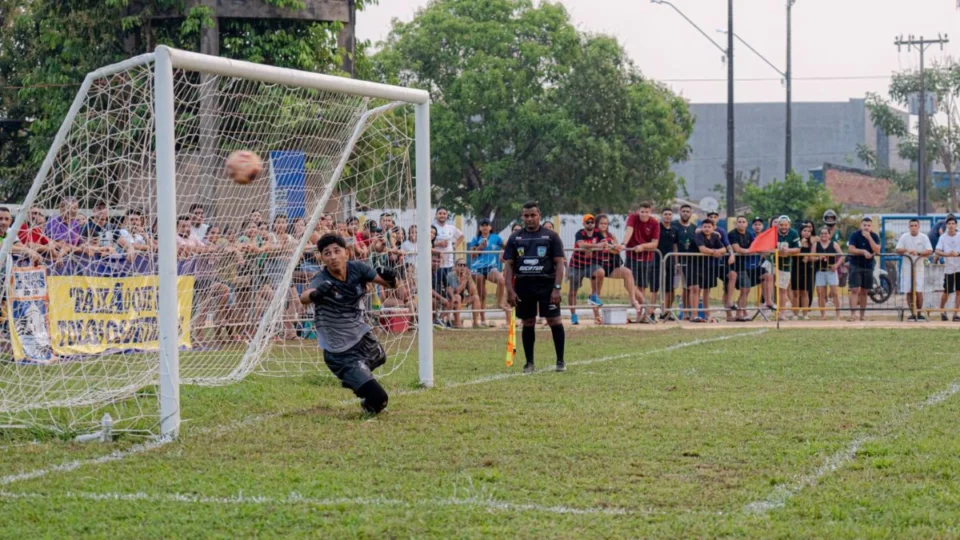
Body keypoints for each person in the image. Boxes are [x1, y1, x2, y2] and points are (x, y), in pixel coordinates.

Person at [300, 234, 398, 415]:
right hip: (340, 351)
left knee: (381, 357)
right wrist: (316, 294)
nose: (333, 256)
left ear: (346, 253)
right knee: (380, 400)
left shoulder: (358, 269)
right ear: (322, 258)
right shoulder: (322, 279)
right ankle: (358, 385)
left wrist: (391, 278)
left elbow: (390, 285)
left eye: (337, 251)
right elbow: (304, 297)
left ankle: (355, 377)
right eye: (327, 253)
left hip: (362, 337)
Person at [503, 201, 566, 373]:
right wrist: (510, 289)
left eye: (533, 215)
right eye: (526, 215)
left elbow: (559, 264)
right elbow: (508, 265)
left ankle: (560, 360)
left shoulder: (551, 236)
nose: (529, 218)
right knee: (528, 322)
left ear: (539, 215)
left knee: (554, 320)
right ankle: (529, 362)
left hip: (547, 285)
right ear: (522, 217)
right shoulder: (515, 238)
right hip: (524, 285)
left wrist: (557, 288)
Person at [594, 214, 645, 320]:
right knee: (597, 291)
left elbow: (618, 249)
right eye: (601, 223)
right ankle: (597, 316)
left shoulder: (611, 235)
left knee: (627, 272)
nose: (604, 225)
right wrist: (609, 247)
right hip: (598, 267)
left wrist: (612, 247)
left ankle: (633, 300)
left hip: (611, 266)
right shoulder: (594, 236)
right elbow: (598, 248)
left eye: (606, 223)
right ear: (597, 224)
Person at [623, 202, 660, 323]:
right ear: (638, 211)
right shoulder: (633, 217)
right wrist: (624, 244)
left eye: (646, 212)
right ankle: (646, 306)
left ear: (650, 212)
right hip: (631, 256)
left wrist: (642, 246)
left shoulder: (654, 223)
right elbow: (629, 231)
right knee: (628, 283)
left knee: (642, 286)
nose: (644, 214)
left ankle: (641, 316)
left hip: (646, 258)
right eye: (642, 211)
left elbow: (654, 244)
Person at [467, 218, 507, 326]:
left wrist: (502, 253)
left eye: (487, 225)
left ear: (490, 227)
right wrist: (480, 247)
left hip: (491, 267)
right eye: (482, 225)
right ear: (480, 228)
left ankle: (499, 303)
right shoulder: (476, 238)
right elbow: (472, 255)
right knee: (482, 294)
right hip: (477, 268)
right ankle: (483, 319)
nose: (485, 227)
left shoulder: (496, 237)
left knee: (501, 280)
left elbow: (506, 246)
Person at [567, 214, 604, 325]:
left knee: (600, 272)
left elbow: (604, 244)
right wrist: (594, 246)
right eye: (587, 222)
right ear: (583, 224)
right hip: (576, 265)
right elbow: (581, 244)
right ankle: (573, 315)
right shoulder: (580, 233)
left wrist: (591, 247)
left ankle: (593, 296)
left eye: (592, 222)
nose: (590, 224)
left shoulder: (598, 232)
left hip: (589, 264)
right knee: (573, 292)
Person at [895, 218, 933, 321]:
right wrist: (907, 250)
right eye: (911, 226)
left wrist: (919, 253)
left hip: (919, 267)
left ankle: (919, 313)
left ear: (919, 227)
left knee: (919, 291)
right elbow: (897, 249)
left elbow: (929, 250)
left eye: (915, 226)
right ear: (909, 227)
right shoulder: (904, 237)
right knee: (908, 291)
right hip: (907, 268)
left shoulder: (924, 237)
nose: (913, 228)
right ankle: (913, 313)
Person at [692, 219, 729, 323]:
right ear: (701, 227)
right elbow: (702, 249)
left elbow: (724, 249)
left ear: (713, 228)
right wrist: (714, 252)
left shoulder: (715, 236)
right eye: (705, 226)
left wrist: (717, 251)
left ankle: (707, 314)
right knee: (697, 289)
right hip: (696, 265)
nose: (707, 229)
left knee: (707, 291)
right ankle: (694, 315)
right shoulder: (698, 235)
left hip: (709, 266)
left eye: (709, 227)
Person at [847, 216, 881, 322]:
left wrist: (869, 238)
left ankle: (862, 315)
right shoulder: (855, 235)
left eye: (868, 225)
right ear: (861, 225)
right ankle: (853, 314)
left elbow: (877, 250)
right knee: (854, 289)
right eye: (864, 225)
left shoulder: (874, 236)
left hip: (868, 266)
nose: (866, 227)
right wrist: (863, 251)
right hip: (855, 264)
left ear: (871, 226)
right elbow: (851, 249)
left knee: (864, 291)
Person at [728, 216, 758, 321]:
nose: (741, 223)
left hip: (743, 266)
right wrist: (748, 251)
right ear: (736, 223)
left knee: (746, 290)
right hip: (731, 266)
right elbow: (737, 249)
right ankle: (733, 314)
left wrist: (749, 250)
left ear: (746, 223)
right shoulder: (732, 234)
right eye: (739, 222)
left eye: (743, 222)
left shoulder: (749, 234)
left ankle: (740, 313)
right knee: (731, 290)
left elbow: (755, 246)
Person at [812, 226, 843, 320]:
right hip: (820, 271)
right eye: (821, 233)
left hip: (831, 271)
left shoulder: (834, 244)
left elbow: (842, 256)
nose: (823, 235)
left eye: (825, 233)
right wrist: (818, 258)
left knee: (835, 293)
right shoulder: (816, 245)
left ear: (829, 235)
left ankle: (837, 315)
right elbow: (811, 257)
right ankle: (823, 315)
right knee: (820, 293)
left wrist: (837, 265)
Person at [675, 204, 699, 319]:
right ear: (680, 212)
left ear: (691, 213)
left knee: (687, 287)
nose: (685, 213)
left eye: (687, 211)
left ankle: (686, 313)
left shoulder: (694, 228)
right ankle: (667, 313)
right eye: (683, 211)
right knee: (671, 288)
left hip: (690, 262)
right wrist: (676, 262)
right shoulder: (674, 225)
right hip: (674, 260)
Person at [775, 216, 801, 319]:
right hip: (771, 263)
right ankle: (769, 308)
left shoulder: (793, 233)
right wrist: (777, 252)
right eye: (781, 225)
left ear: (789, 225)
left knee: (783, 289)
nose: (783, 227)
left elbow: (798, 249)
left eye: (785, 225)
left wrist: (788, 251)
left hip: (785, 265)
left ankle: (782, 312)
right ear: (778, 225)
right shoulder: (773, 233)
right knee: (769, 286)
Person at [934, 215, 960, 322]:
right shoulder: (943, 237)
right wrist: (946, 254)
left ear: (956, 225)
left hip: (959, 267)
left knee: (959, 291)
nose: (951, 226)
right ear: (946, 225)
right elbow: (937, 251)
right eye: (949, 224)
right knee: (947, 291)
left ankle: (955, 313)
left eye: (953, 223)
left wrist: (958, 253)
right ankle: (942, 310)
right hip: (949, 268)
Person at [433, 207, 464, 284]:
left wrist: (454, 247)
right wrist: (438, 243)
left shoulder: (451, 228)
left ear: (447, 215)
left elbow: (461, 236)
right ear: (436, 215)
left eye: (444, 214)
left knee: (450, 287)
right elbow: (427, 244)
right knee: (437, 287)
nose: (442, 215)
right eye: (440, 213)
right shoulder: (432, 228)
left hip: (449, 263)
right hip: (436, 264)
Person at [791, 224, 815, 320]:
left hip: (807, 269)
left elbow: (813, 256)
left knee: (805, 292)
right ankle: (795, 314)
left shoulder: (811, 244)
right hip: (796, 268)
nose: (807, 233)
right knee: (796, 292)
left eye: (809, 231)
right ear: (800, 232)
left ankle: (805, 314)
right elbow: (794, 253)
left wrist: (809, 258)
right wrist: (800, 243)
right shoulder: (796, 242)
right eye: (805, 230)